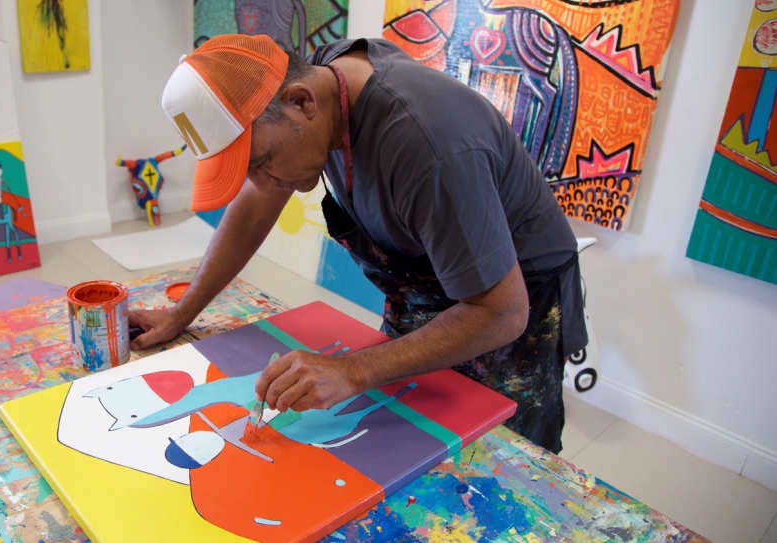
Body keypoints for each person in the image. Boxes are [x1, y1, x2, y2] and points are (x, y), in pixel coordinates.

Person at [130, 34, 587, 454]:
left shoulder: (428, 147)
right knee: (404, 437)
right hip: (429, 286)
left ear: (301, 102)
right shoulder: (320, 88)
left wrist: (353, 369)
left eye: (264, 163)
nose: (266, 186)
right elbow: (253, 208)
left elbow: (501, 312)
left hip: (512, 296)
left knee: (493, 458)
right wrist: (181, 313)